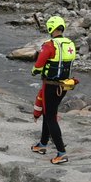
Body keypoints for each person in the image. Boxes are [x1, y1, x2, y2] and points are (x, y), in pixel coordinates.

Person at [32, 15, 77, 164]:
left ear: (51, 28)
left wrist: (35, 70)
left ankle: (61, 152)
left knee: (51, 117)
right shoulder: (70, 43)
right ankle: (42, 144)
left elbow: (39, 64)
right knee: (48, 112)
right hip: (64, 86)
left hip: (50, 86)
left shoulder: (50, 45)